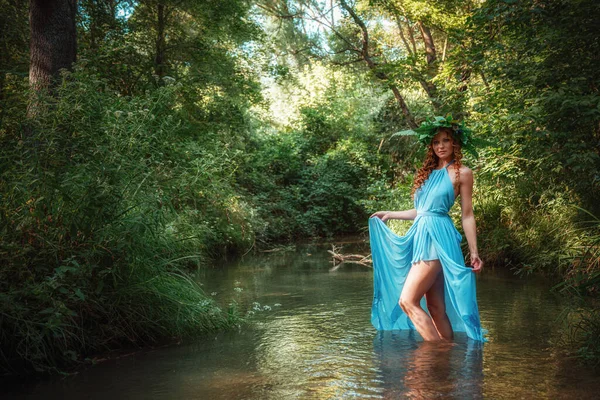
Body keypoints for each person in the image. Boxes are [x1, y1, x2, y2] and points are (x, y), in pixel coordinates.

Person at [369, 116, 486, 342]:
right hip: (421, 236)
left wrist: (474, 252)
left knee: (407, 301)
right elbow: (421, 211)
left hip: (438, 239)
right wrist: (390, 213)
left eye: (445, 140)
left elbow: (467, 214)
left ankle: (438, 356)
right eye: (435, 142)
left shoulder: (462, 173)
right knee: (435, 307)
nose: (440, 146)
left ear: (455, 144)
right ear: (431, 146)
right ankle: (448, 362)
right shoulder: (427, 173)